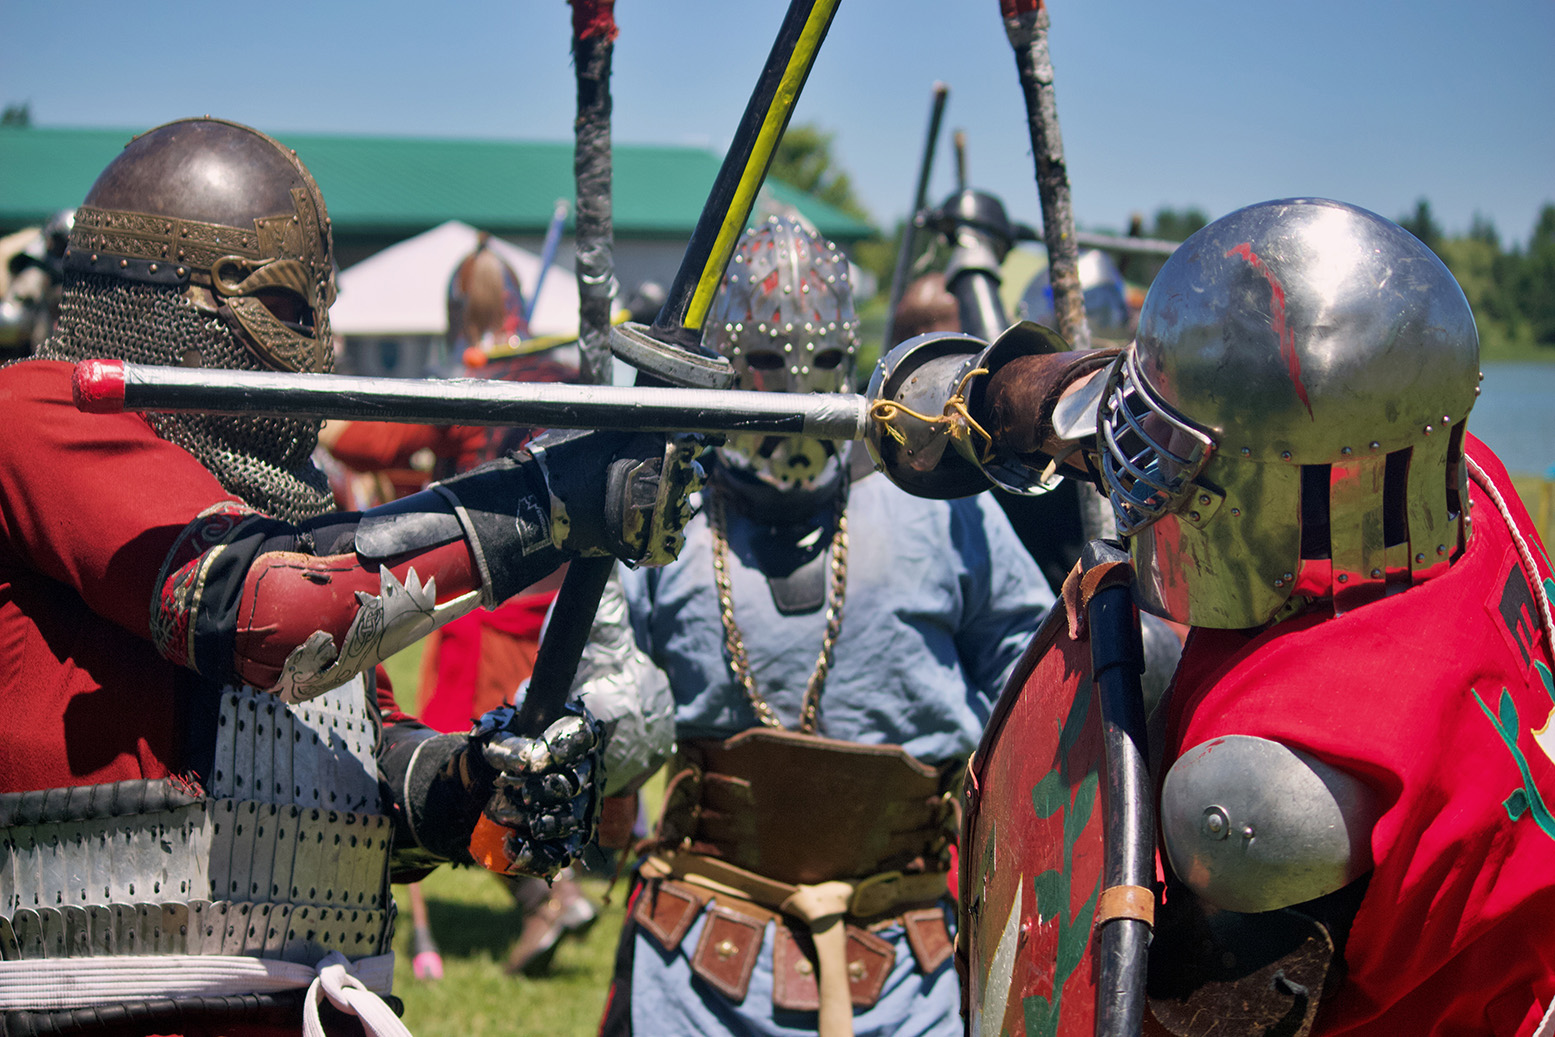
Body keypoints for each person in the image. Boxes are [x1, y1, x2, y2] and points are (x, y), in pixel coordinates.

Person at [0, 117, 697, 1035]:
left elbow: (346, 771)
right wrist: (545, 503)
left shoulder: (296, 512)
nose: (319, 347)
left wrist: (466, 783)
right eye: (292, 310)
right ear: (181, 299)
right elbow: (270, 615)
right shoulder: (37, 414)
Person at [962, 198, 1555, 1035]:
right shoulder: (1472, 497)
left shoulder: (1262, 799)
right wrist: (1018, 392)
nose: (1141, 472)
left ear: (1260, 495)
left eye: (1174, 454)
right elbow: (1236, 427)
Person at [586, 215, 1054, 1037]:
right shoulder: (666, 522)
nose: (795, 382)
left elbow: (1038, 700)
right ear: (726, 370)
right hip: (696, 953)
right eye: (764, 361)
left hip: (908, 959)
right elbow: (592, 704)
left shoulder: (941, 517)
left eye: (825, 362)